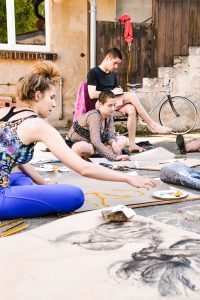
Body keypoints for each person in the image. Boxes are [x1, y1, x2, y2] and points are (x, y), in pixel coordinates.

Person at [0, 61, 156, 220]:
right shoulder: (37, 125)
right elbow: (83, 168)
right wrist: (128, 178)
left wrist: (42, 183)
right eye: (52, 97)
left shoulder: (5, 112)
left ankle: (25, 194)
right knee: (75, 195)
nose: (54, 104)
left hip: (3, 180)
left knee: (22, 178)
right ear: (38, 95)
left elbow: (11, 152)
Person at [87, 47, 171, 153]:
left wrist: (118, 91)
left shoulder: (112, 75)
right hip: (101, 104)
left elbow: (116, 91)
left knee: (131, 109)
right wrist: (113, 92)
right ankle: (152, 125)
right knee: (132, 96)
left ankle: (132, 145)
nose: (116, 67)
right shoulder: (93, 72)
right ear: (108, 58)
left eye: (118, 64)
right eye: (115, 63)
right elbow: (92, 94)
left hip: (113, 102)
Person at [67, 90, 129, 161]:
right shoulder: (94, 116)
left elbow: (110, 135)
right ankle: (106, 154)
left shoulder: (109, 116)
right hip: (80, 144)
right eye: (109, 105)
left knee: (123, 140)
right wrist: (114, 157)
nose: (113, 109)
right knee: (82, 147)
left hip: (96, 145)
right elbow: (95, 141)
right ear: (100, 104)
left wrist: (113, 143)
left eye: (114, 105)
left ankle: (101, 154)